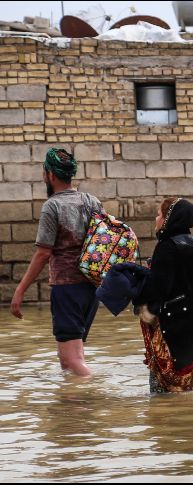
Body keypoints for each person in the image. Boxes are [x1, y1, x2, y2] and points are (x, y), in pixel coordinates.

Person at [10, 148, 102, 377]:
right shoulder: (92, 201)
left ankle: (98, 392)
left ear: (50, 175)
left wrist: (20, 290)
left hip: (67, 287)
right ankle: (75, 407)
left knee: (70, 360)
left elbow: (43, 253)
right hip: (92, 287)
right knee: (74, 357)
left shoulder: (52, 206)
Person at [133, 197, 193, 393]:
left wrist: (142, 304)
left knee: (164, 393)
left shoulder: (167, 248)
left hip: (174, 328)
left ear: (168, 219)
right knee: (190, 386)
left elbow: (159, 289)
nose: (156, 219)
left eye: (159, 214)